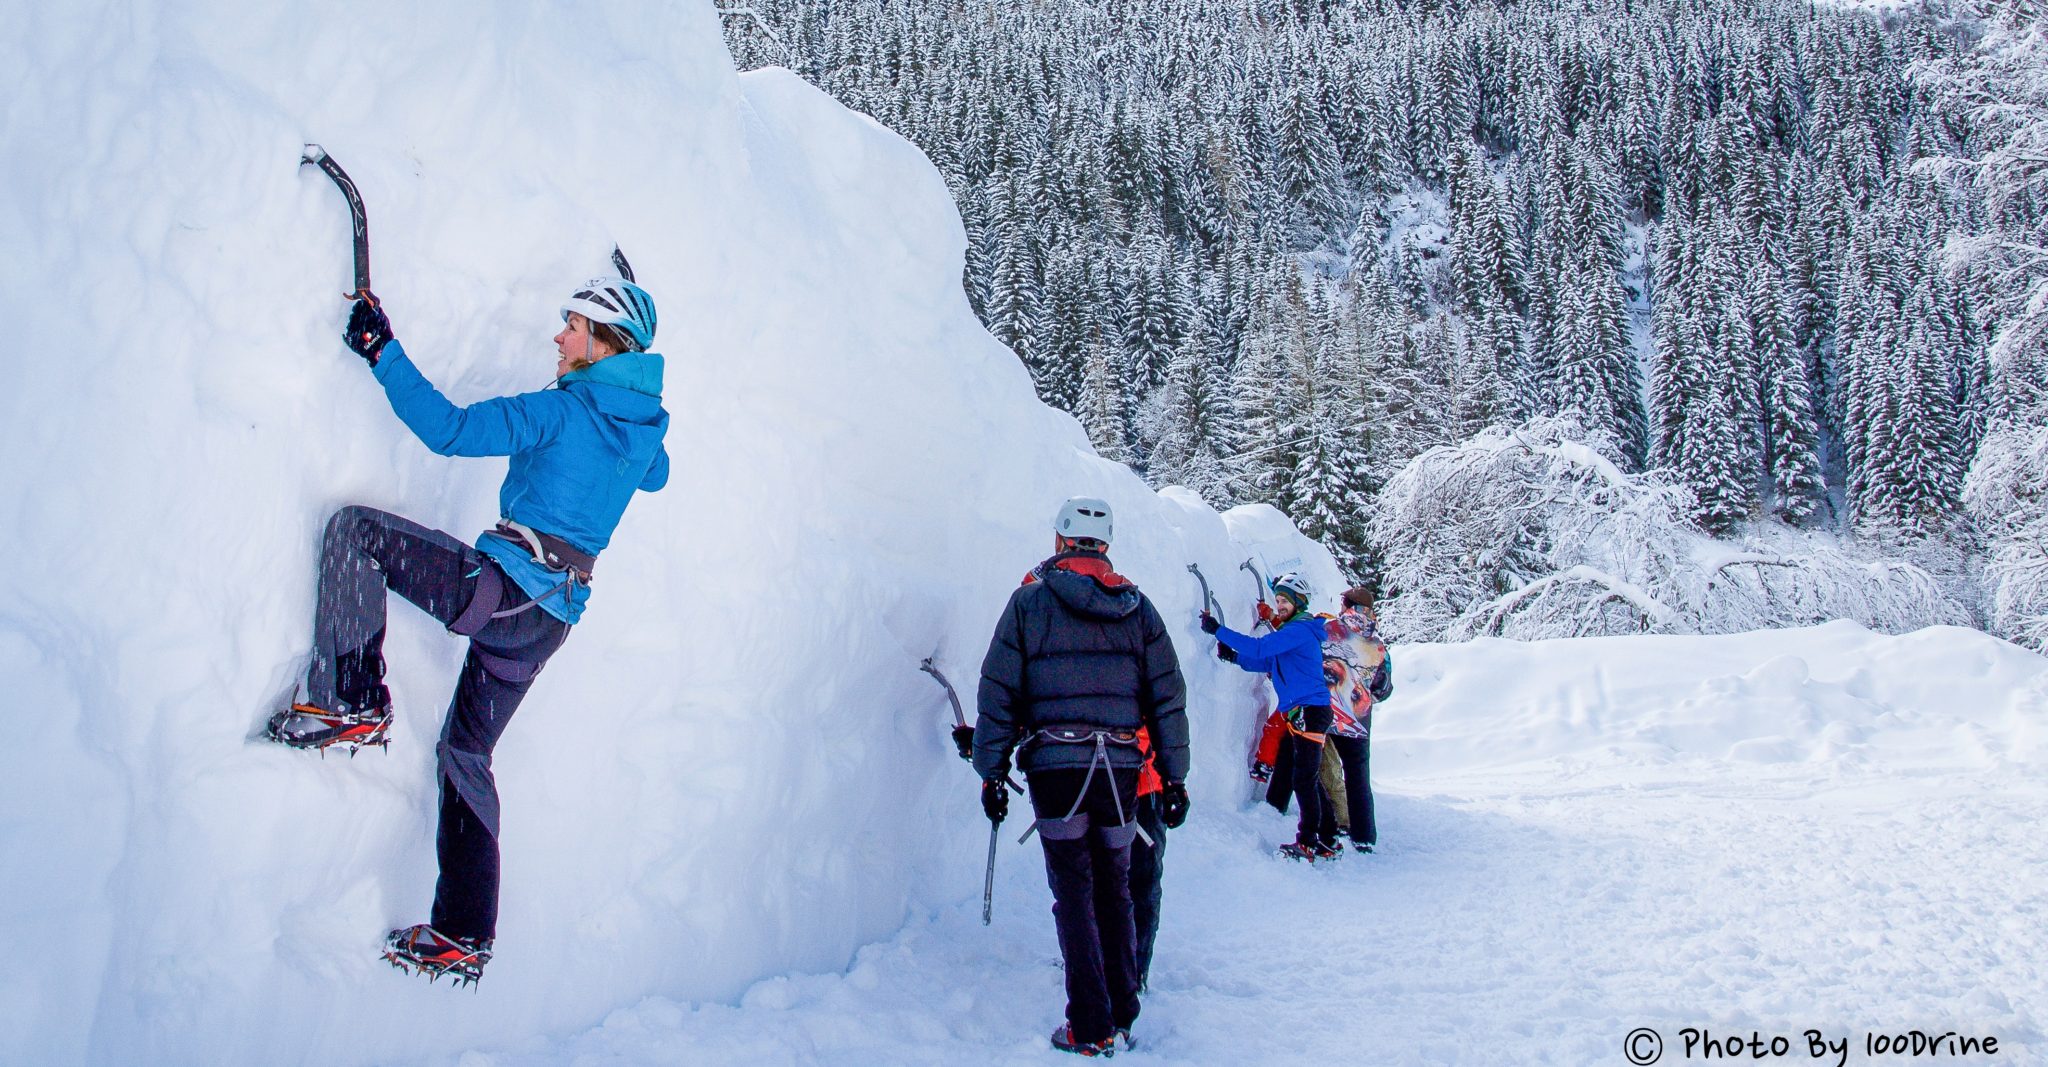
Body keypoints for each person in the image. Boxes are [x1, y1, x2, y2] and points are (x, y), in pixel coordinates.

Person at [266, 277, 669, 984]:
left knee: (355, 533)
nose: (558, 336)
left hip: (507, 595)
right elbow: (657, 475)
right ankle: (462, 931)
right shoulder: (641, 432)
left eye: (571, 325)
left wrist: (380, 349)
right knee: (465, 754)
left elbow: (449, 429)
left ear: (604, 344)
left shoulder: (559, 412)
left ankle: (351, 697)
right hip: (548, 623)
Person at [973, 498, 1190, 1056]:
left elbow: (1000, 690)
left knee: (1073, 891)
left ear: (1059, 542)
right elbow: (1167, 696)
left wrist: (991, 769)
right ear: (1106, 545)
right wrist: (1175, 776)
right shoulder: (1137, 609)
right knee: (1114, 887)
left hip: (1057, 767)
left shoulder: (1028, 603)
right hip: (1120, 767)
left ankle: (1089, 1027)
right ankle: (1121, 1011)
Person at [1205, 571, 1338, 861]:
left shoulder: (1298, 630)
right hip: (1306, 712)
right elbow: (1267, 660)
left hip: (1309, 712)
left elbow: (1261, 646)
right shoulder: (1294, 632)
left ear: (1299, 602)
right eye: (1278, 600)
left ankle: (1308, 842)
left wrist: (1218, 630)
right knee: (1309, 779)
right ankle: (1328, 839)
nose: (1279, 606)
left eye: (1284, 601)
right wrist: (1234, 657)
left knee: (1304, 781)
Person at [1316, 586, 1383, 853]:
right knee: (1358, 778)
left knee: (1319, 771)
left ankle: (1328, 827)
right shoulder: (1378, 645)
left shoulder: (1327, 629)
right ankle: (1364, 837)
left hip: (1326, 713)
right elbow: (1383, 688)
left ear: (1346, 604)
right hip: (1358, 721)